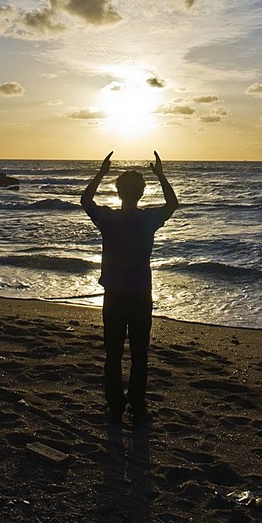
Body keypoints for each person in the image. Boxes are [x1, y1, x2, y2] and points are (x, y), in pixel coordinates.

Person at [81, 151, 178, 424]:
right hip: (139, 295)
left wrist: (100, 172)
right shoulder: (147, 220)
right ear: (142, 193)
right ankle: (137, 405)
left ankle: (115, 405)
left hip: (113, 295)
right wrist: (161, 175)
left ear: (119, 191)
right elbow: (172, 203)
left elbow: (85, 200)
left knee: (112, 353)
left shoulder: (109, 219)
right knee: (139, 352)